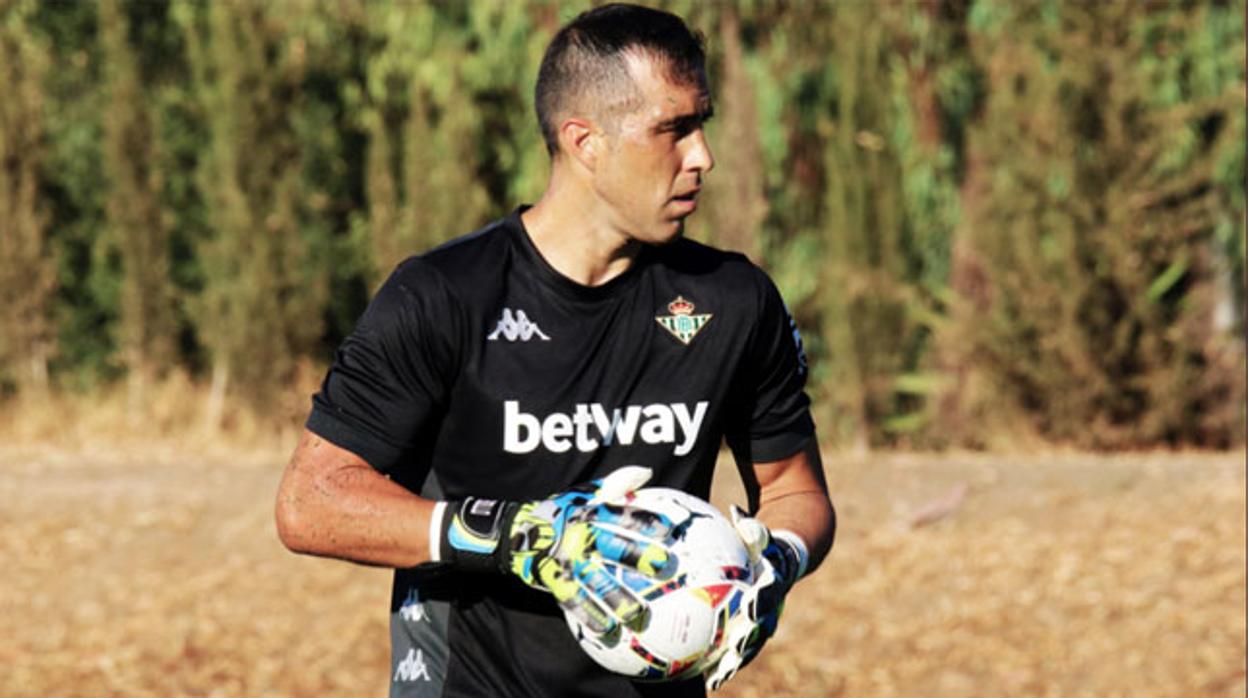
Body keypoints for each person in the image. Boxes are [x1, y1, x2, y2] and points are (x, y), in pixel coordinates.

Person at [275, 4, 835, 697]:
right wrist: (518, 538)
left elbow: (793, 489)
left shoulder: (735, 301)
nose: (703, 157)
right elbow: (312, 502)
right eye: (673, 129)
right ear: (585, 141)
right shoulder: (444, 297)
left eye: (703, 124)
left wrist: (775, 561)